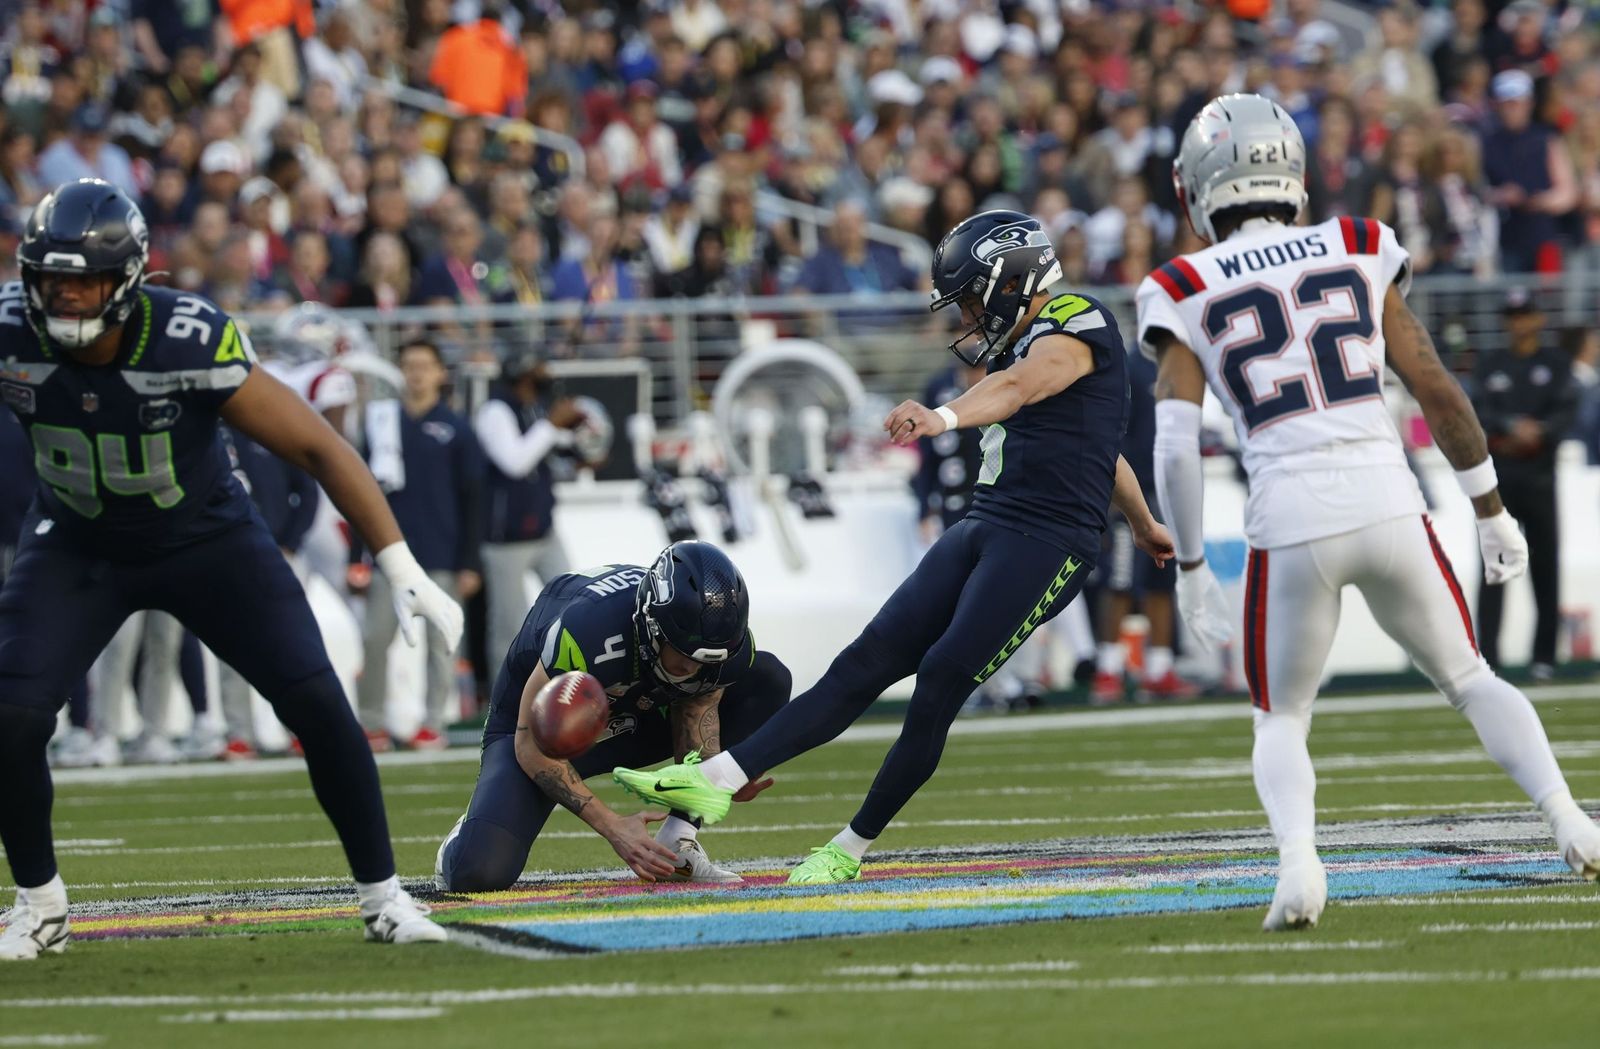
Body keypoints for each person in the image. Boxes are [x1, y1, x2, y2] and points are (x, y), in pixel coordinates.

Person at [1135, 94, 1600, 933]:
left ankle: (1299, 865)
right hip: (1390, 499)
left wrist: (1194, 564)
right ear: (1292, 171)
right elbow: (1436, 386)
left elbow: (1173, 442)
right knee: (1471, 678)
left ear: (1197, 185)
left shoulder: (1181, 283)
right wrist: (1490, 509)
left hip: (1289, 518)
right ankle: (1569, 817)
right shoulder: (1356, 242)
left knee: (1281, 713)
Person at [615, 210, 1174, 883]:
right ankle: (718, 779)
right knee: (865, 661)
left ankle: (849, 847)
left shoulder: (1077, 320)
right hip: (988, 521)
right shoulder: (1025, 342)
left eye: (971, 298)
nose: (967, 315)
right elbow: (1102, 450)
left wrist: (941, 416)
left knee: (939, 680)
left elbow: (1022, 386)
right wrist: (1143, 522)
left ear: (1012, 282)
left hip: (1048, 542)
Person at [0, 179, 461, 958]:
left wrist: (399, 561)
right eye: (51, 280)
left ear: (128, 279)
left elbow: (317, 444)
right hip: (79, 542)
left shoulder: (183, 336)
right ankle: (40, 904)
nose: (65, 296)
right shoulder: (12, 331)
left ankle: (384, 896)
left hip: (205, 539)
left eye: (85, 281)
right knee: (11, 714)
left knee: (317, 702)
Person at [436, 541, 790, 891]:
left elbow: (696, 711)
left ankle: (678, 841)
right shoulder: (590, 630)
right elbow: (531, 744)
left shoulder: (721, 648)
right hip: (542, 728)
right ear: (652, 625)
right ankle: (468, 832)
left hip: (637, 713)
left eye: (705, 660)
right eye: (683, 652)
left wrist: (719, 776)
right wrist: (614, 827)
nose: (692, 667)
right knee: (478, 871)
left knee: (767, 678)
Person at [357, 340, 484, 750]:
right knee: (375, 638)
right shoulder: (382, 423)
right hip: (390, 553)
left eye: (424, 366)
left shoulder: (456, 427)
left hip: (441, 553)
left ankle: (434, 722)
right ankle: (371, 721)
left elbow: (473, 498)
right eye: (409, 365)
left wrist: (470, 562)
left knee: (441, 642)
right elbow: (359, 492)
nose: (416, 374)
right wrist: (357, 554)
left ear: (440, 373)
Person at [1472, 288, 1577, 678]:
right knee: (1494, 566)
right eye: (1513, 316)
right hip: (1499, 479)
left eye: (1525, 315)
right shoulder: (1490, 365)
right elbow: (1478, 411)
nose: (1519, 323)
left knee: (1545, 565)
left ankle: (1544, 657)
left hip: (1540, 476)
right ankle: (1488, 658)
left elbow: (1566, 409)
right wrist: (1510, 428)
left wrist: (1540, 432)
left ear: (1538, 319)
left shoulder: (1555, 363)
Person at [473, 353, 584, 672]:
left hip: (544, 532)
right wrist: (552, 424)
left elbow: (546, 455)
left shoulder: (532, 408)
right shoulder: (495, 411)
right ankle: (505, 695)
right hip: (506, 540)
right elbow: (515, 462)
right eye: (540, 372)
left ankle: (569, 680)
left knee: (574, 604)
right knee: (509, 625)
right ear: (522, 377)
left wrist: (578, 449)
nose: (547, 378)